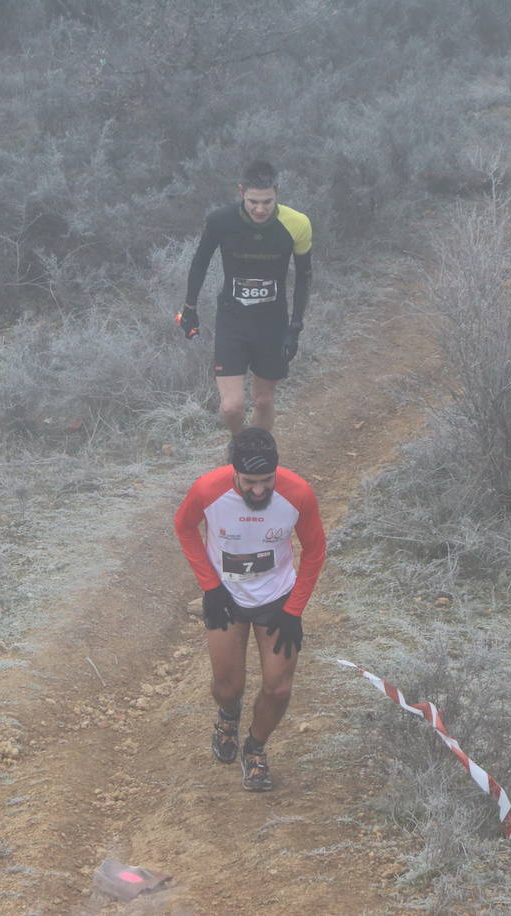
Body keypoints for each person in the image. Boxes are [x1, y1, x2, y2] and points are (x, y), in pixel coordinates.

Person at [173, 427, 326, 791]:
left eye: (267, 480)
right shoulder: (208, 490)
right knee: (228, 686)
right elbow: (184, 527)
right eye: (250, 482)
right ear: (234, 473)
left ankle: (255, 748)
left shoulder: (298, 493)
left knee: (278, 689)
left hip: (276, 599)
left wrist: (294, 609)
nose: (259, 490)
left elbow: (315, 551)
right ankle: (228, 716)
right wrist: (210, 587)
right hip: (226, 596)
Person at [176, 160, 313, 436]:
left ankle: (257, 451)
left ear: (276, 192)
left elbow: (303, 276)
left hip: (272, 321)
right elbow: (200, 262)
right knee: (232, 407)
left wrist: (295, 327)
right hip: (233, 319)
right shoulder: (220, 221)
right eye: (253, 202)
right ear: (241, 192)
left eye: (267, 202)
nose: (260, 209)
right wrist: (189, 308)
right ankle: (239, 447)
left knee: (263, 400)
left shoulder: (297, 223)